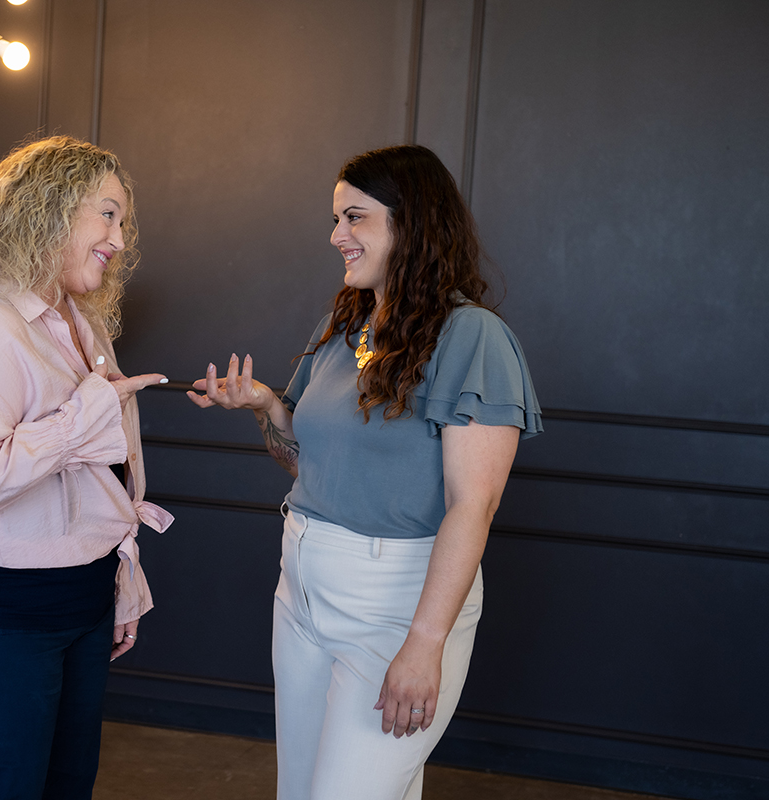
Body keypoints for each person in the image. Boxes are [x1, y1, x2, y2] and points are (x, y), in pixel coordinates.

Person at [188, 144, 541, 800]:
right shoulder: (345, 327)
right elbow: (304, 458)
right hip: (301, 589)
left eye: (355, 218)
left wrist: (425, 643)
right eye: (335, 219)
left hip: (394, 602)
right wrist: (266, 405)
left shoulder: (473, 338)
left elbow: (473, 504)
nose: (336, 236)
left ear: (411, 224)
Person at [0, 136, 173, 800]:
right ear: (46, 210)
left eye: (123, 220)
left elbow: (94, 475)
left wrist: (116, 584)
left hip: (75, 600)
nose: (119, 236)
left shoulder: (78, 319)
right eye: (106, 214)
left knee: (65, 787)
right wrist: (84, 415)